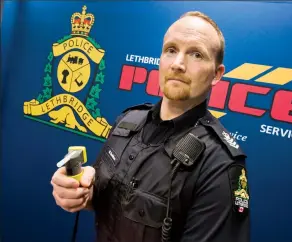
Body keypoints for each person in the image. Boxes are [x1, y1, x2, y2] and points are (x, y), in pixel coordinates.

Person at [51, 11, 250, 242]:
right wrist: (79, 192)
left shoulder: (219, 162)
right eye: (171, 50)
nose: (178, 64)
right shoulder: (127, 122)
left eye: (196, 54)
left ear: (217, 74)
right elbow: (102, 197)